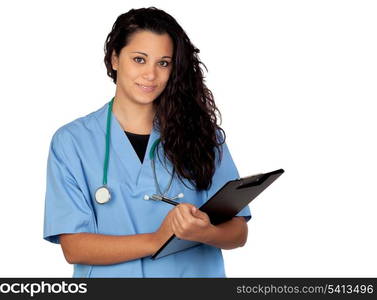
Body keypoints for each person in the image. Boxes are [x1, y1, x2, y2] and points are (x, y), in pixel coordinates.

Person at [43, 7, 251, 278]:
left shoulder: (204, 136)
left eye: (163, 63)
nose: (151, 75)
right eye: (139, 59)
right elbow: (74, 248)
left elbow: (238, 232)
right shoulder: (72, 142)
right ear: (115, 59)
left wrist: (207, 232)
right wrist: (158, 239)